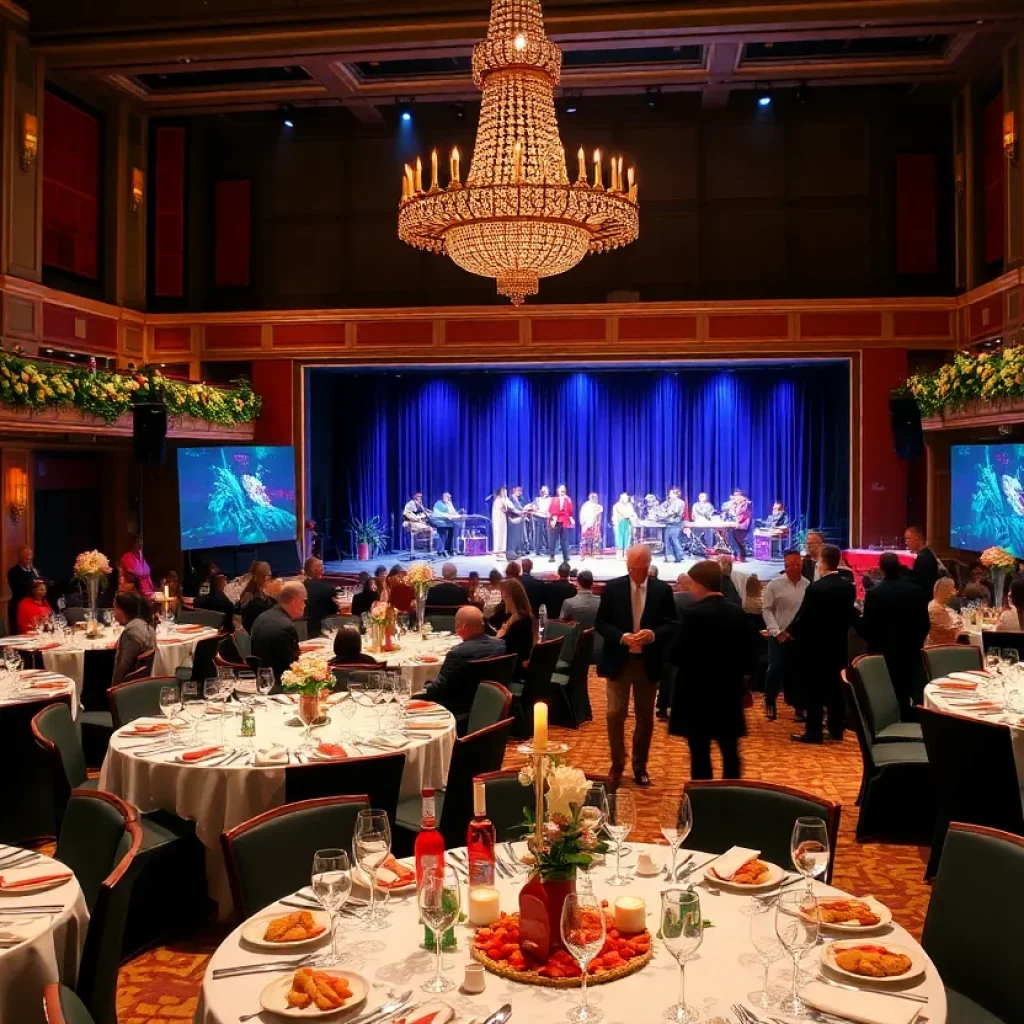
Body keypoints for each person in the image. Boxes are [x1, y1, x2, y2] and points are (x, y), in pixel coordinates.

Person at [595, 544, 677, 787]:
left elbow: (672, 624)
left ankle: (640, 765)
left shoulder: (662, 590)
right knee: (614, 714)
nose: (635, 573)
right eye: (631, 568)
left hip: (647, 662)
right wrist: (621, 637)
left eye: (640, 568)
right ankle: (617, 763)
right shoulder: (613, 588)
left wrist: (653, 634)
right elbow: (601, 623)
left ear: (648, 566)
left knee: (645, 718)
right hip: (619, 660)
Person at [669, 560, 753, 779]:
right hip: (728, 693)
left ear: (702, 584)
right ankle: (732, 794)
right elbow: (748, 654)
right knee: (730, 751)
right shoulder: (737, 613)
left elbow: (676, 655)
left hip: (697, 695)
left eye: (693, 583)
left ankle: (703, 800)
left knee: (700, 753)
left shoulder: (692, 614)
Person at [788, 544, 859, 744]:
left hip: (815, 648)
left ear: (822, 562)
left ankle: (814, 732)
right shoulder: (847, 586)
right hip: (838, 646)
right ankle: (836, 730)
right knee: (836, 688)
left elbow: (803, 618)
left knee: (814, 691)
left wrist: (790, 633)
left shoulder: (815, 589)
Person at [862, 552, 931, 715]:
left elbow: (868, 629)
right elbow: (925, 624)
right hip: (911, 652)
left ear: (881, 568)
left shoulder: (874, 594)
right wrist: (916, 642)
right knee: (908, 689)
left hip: (883, 654)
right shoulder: (918, 591)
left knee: (887, 693)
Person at [424, 606, 506, 718]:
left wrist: (423, 686)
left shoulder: (457, 653)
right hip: (492, 707)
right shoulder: (500, 645)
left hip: (456, 711)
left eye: (457, 625)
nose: (456, 628)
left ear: (463, 626)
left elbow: (438, 689)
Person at [761, 550, 810, 721]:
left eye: (797, 563)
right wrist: (776, 631)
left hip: (798, 637)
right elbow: (766, 609)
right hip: (778, 635)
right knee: (775, 668)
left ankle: (798, 705)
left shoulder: (807, 585)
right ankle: (770, 701)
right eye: (790, 564)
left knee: (798, 671)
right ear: (785, 565)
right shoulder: (774, 585)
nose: (794, 567)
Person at [250, 580, 305, 687]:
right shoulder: (285, 627)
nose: (305, 605)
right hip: (279, 683)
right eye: (304, 601)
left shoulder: (265, 615)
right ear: (295, 602)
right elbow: (292, 666)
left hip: (261, 676)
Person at [111, 591, 156, 686]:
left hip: (128, 688)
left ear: (122, 610)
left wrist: (113, 694)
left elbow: (122, 669)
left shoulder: (131, 633)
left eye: (114, 608)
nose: (113, 612)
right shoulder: (148, 627)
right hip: (143, 684)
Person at [495, 578, 535, 678]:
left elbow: (507, 649)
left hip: (514, 669)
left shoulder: (521, 622)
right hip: (512, 663)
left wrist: (499, 636)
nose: (503, 600)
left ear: (510, 597)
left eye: (504, 597)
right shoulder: (513, 617)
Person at [7, 545, 41, 633]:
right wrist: (33, 583)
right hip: (18, 605)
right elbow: (18, 587)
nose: (28, 557)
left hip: (32, 605)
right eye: (25, 555)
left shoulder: (34, 570)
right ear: (20, 557)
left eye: (30, 555)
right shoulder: (14, 571)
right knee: (19, 632)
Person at [236, 561, 276, 633]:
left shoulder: (253, 591)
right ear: (263, 577)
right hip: (256, 633)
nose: (269, 579)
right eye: (268, 576)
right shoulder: (251, 597)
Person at [302, 557, 339, 630]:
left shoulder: (301, 585)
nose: (323, 568)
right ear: (313, 570)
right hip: (320, 626)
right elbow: (333, 609)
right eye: (320, 566)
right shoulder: (326, 588)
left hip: (302, 625)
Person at [905, 525, 940, 597]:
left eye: (908, 539)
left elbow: (918, 583)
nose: (906, 542)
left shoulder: (923, 558)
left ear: (918, 538)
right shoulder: (926, 553)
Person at [928, 577, 964, 645]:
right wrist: (958, 625)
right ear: (943, 590)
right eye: (950, 589)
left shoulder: (941, 605)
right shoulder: (935, 608)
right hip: (940, 649)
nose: (953, 593)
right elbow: (949, 633)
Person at [548, 485, 574, 564]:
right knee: (553, 539)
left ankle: (566, 557)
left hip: (564, 521)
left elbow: (570, 512)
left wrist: (568, 501)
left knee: (564, 540)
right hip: (555, 520)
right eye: (561, 490)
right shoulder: (554, 499)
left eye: (564, 490)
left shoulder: (568, 500)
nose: (563, 492)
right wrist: (552, 520)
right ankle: (552, 555)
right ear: (558, 491)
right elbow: (550, 510)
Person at [431, 492, 460, 557]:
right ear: (443, 497)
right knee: (442, 536)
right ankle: (440, 551)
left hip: (450, 523)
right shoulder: (438, 503)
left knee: (451, 536)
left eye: (448, 497)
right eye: (445, 497)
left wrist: (458, 516)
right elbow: (436, 513)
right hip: (441, 523)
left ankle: (450, 550)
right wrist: (447, 515)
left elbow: (453, 512)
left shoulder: (449, 504)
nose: (447, 498)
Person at [662, 487, 686, 563]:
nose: (669, 495)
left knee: (674, 540)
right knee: (668, 541)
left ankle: (679, 556)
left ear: (675, 494)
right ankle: (670, 556)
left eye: (670, 493)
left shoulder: (679, 502)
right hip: (669, 523)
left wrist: (664, 515)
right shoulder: (670, 502)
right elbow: (663, 507)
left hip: (676, 523)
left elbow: (675, 512)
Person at [728, 488, 752, 561]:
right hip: (736, 524)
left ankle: (739, 554)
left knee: (732, 534)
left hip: (743, 525)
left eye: (738, 495)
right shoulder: (734, 504)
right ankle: (737, 554)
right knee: (729, 534)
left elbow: (740, 514)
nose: (735, 497)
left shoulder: (746, 504)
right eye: (735, 495)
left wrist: (736, 504)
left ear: (743, 496)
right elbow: (730, 512)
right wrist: (733, 504)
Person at [579, 493, 603, 559]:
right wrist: (583, 523)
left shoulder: (598, 506)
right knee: (584, 540)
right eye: (593, 497)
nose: (595, 499)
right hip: (586, 524)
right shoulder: (585, 505)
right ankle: (583, 554)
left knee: (594, 539)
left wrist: (598, 523)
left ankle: (593, 553)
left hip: (594, 524)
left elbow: (599, 516)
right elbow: (582, 514)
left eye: (596, 497)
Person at [611, 493, 636, 558]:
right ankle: (619, 554)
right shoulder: (617, 505)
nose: (626, 499)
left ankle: (625, 554)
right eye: (625, 498)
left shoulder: (629, 505)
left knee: (627, 538)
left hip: (627, 522)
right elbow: (616, 515)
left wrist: (631, 519)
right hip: (620, 522)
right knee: (619, 538)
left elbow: (631, 513)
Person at [532, 485, 552, 556]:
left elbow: (551, 509)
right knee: (538, 535)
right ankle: (537, 550)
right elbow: (534, 507)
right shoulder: (537, 499)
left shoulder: (550, 499)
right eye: (543, 491)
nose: (544, 492)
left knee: (548, 534)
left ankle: (549, 550)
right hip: (539, 517)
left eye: (546, 491)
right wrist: (535, 508)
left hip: (547, 518)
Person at [491, 486, 509, 559]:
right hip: (498, 519)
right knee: (498, 534)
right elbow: (504, 509)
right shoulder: (498, 500)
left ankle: (502, 550)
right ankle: (498, 551)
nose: (505, 493)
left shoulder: (503, 499)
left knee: (502, 534)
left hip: (502, 519)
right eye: (504, 491)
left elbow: (505, 509)